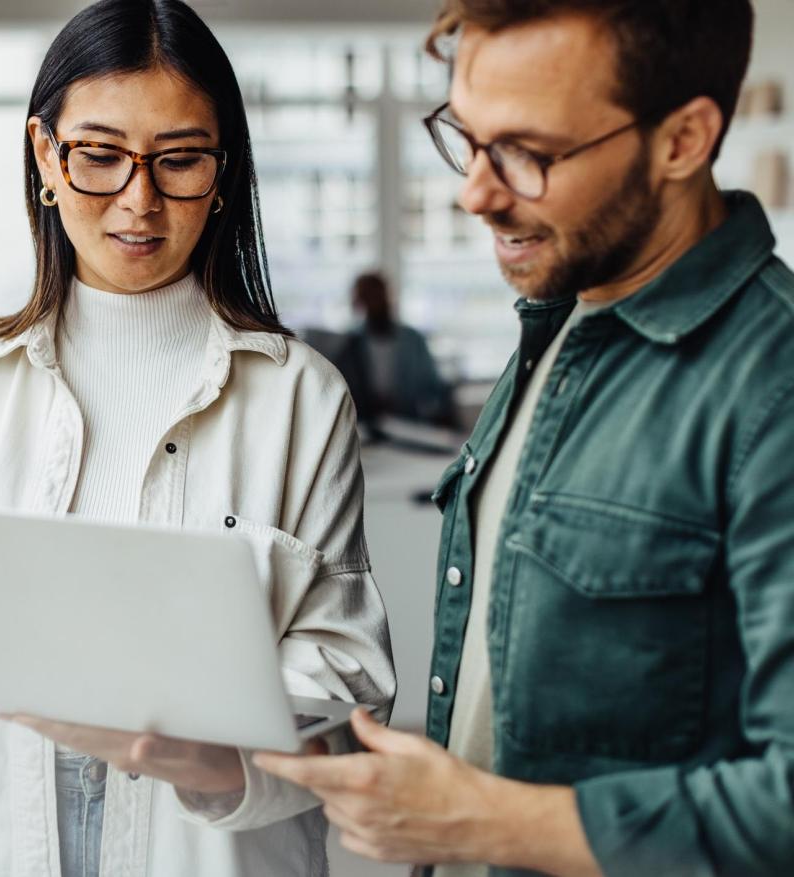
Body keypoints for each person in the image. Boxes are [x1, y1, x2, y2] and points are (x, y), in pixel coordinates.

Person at [0, 1, 396, 875]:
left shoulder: (301, 399)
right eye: (100, 155)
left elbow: (349, 688)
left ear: (223, 170)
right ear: (46, 156)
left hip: (212, 847)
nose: (139, 199)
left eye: (179, 159)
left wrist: (205, 754)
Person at [255, 2, 794, 876]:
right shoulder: (558, 326)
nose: (474, 191)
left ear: (684, 140)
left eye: (527, 153)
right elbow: (501, 715)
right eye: (466, 137)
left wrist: (482, 823)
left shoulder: (773, 388)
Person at [337, 271, 457, 433]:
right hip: (366, 429)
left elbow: (434, 388)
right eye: (367, 298)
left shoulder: (413, 340)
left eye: (377, 296)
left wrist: (436, 414)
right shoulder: (351, 343)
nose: (374, 303)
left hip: (410, 425)